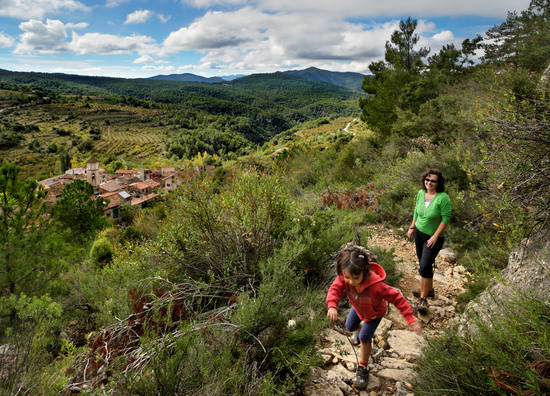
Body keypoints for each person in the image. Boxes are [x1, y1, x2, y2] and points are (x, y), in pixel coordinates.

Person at [326, 245, 422, 389]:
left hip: (374, 314)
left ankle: (363, 368)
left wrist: (410, 318)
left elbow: (397, 298)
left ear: (364, 271)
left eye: (355, 278)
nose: (351, 281)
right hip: (358, 308)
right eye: (347, 278)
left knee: (365, 337)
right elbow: (335, 289)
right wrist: (332, 305)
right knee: (350, 326)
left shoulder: (377, 285)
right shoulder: (344, 277)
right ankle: (358, 331)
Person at [407, 169, 451, 315]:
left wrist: (435, 236)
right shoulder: (421, 193)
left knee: (425, 264)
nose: (429, 183)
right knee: (423, 263)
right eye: (427, 179)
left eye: (433, 180)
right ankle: (429, 290)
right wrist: (412, 227)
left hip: (433, 238)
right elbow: (416, 211)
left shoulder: (443, 198)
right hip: (419, 232)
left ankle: (423, 299)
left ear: (439, 183)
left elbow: (445, 219)